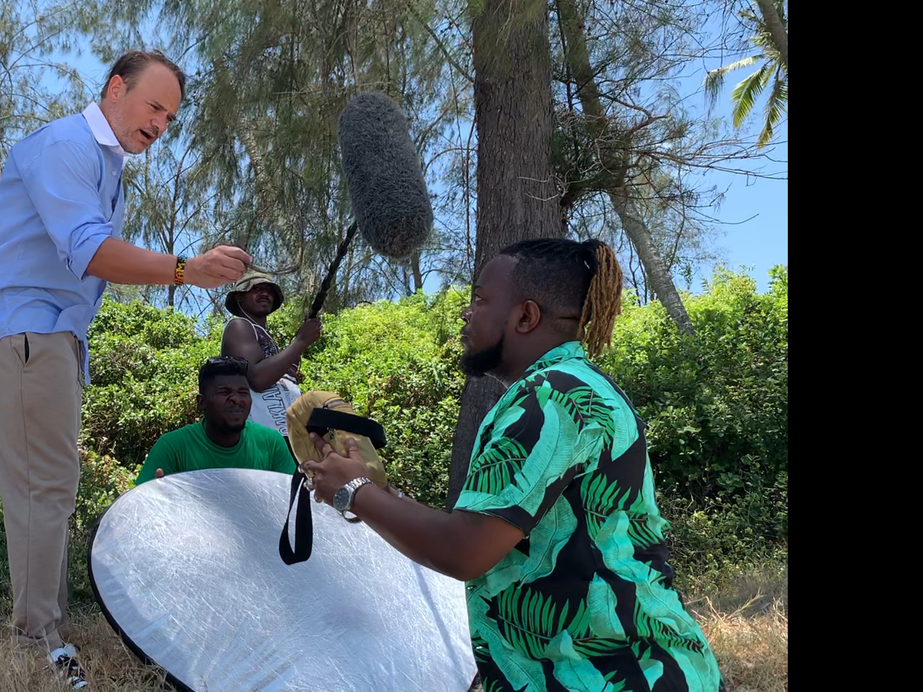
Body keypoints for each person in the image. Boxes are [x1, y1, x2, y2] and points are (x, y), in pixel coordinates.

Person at [300, 239, 721, 691]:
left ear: (526, 316)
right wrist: (379, 494)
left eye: (480, 299)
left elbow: (465, 550)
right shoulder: (569, 388)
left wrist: (355, 492)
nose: (466, 313)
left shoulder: (552, 398)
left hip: (617, 676)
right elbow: (488, 532)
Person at [0, 49, 251, 686]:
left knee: (49, 485)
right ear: (115, 88)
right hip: (26, 329)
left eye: (170, 118)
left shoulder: (106, 164)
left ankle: (46, 630)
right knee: (44, 486)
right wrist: (186, 270)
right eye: (154, 107)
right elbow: (89, 250)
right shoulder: (66, 145)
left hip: (47, 335)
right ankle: (37, 641)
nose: (160, 125)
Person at [135, 356, 297, 485]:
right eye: (224, 392)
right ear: (201, 402)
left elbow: (291, 499)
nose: (236, 399)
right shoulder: (172, 447)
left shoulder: (271, 443)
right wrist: (156, 495)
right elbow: (143, 506)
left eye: (243, 392)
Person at [218, 267, 321, 441]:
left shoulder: (265, 338)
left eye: (270, 291)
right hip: (259, 439)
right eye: (257, 288)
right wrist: (301, 341)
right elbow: (257, 379)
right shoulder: (239, 326)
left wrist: (301, 339)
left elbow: (284, 371)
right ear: (239, 296)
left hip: (288, 435)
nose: (265, 294)